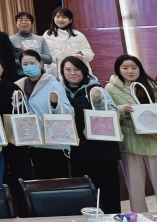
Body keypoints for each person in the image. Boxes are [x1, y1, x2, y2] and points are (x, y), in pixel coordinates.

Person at [107, 54, 157, 214]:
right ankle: (138, 217)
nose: (130, 71)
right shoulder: (111, 88)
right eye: (125, 68)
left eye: (134, 67)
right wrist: (121, 110)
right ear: (118, 70)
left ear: (140, 68)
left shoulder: (153, 86)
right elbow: (106, 113)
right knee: (135, 188)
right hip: (131, 143)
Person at [61, 56, 122, 214]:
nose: (72, 73)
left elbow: (114, 114)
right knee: (84, 196)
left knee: (109, 195)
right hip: (78, 152)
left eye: (76, 69)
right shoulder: (60, 92)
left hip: (103, 152)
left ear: (84, 70)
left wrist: (98, 101)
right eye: (68, 69)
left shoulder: (96, 89)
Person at [0, 52, 33, 199]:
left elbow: (23, 115)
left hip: (14, 141)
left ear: (3, 68)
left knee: (19, 177)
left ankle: (23, 207)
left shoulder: (13, 88)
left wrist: (19, 102)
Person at [16, 49, 72, 179]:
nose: (29, 66)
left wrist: (55, 104)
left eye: (32, 63)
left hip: (54, 143)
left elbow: (69, 112)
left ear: (40, 63)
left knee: (58, 181)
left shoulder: (54, 84)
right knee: (39, 181)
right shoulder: (18, 86)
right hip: (32, 142)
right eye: (25, 64)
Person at [43, 7, 95, 79]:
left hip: (75, 73)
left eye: (64, 17)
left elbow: (90, 54)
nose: (60, 20)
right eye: (58, 17)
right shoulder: (47, 35)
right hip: (54, 74)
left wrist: (82, 55)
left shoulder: (78, 35)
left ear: (70, 20)